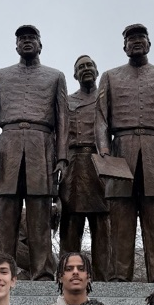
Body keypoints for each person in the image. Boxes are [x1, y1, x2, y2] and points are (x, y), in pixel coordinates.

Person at [95, 23, 154, 283]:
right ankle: (119, 276)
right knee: (121, 218)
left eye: (141, 38)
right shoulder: (110, 77)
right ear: (124, 46)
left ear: (149, 43)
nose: (136, 42)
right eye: (131, 39)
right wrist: (103, 150)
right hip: (119, 150)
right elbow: (100, 118)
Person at [0, 23, 68, 280]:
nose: (26, 41)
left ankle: (43, 273)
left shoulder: (56, 76)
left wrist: (62, 158)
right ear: (16, 45)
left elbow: (64, 121)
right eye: (21, 39)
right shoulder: (2, 75)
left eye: (32, 37)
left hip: (42, 144)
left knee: (40, 212)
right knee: (5, 212)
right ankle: (0, 269)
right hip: (8, 145)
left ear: (40, 44)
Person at [59, 55, 111, 280]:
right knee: (70, 226)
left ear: (97, 71)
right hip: (73, 166)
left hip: (99, 164)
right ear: (74, 75)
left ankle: (105, 278)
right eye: (81, 67)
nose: (86, 69)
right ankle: (67, 276)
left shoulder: (107, 98)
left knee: (102, 226)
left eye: (89, 65)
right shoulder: (66, 101)